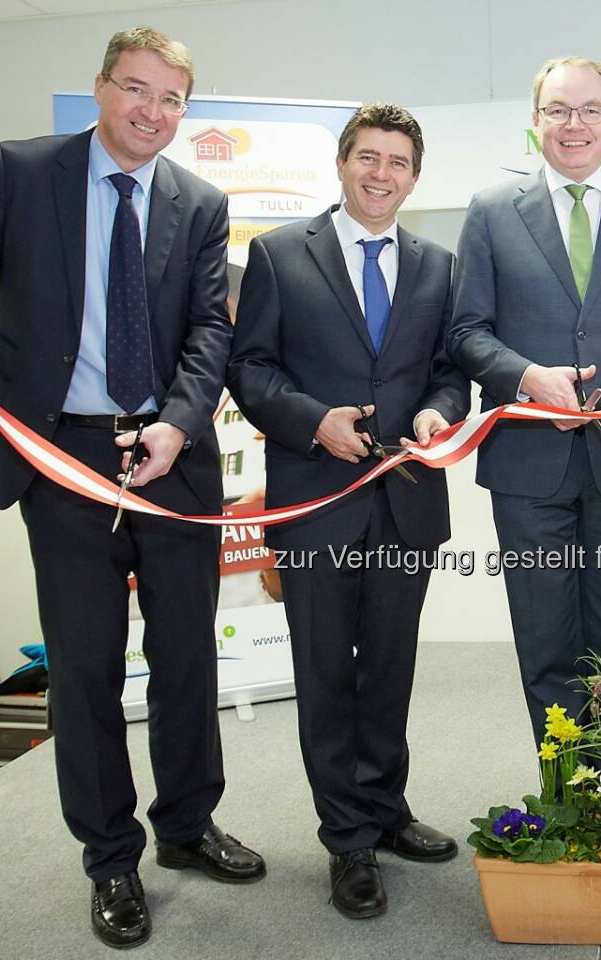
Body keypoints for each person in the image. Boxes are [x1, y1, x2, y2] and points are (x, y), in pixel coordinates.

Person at [0, 26, 265, 950]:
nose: (152, 111)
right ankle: (111, 859)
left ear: (185, 110)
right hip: (60, 457)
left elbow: (209, 339)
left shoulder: (202, 200)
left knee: (186, 658)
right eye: (136, 90)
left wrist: (179, 423)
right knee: (88, 670)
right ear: (101, 89)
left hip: (170, 458)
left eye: (171, 98)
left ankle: (184, 826)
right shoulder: (22, 172)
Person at [226, 103, 469, 921]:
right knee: (326, 671)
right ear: (341, 163)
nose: (381, 174)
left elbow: (447, 370)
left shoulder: (437, 263)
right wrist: (313, 421)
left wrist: (439, 413)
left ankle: (386, 809)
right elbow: (250, 370)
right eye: (368, 157)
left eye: (398, 163)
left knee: (389, 668)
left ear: (415, 177)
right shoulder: (277, 254)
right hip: (315, 501)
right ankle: (346, 839)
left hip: (405, 503)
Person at [448, 56, 601, 745]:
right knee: (545, 639)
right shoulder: (492, 213)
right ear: (536, 122)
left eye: (589, 111)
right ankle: (562, 790)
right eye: (558, 110)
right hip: (527, 465)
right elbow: (466, 332)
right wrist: (527, 378)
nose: (574, 125)